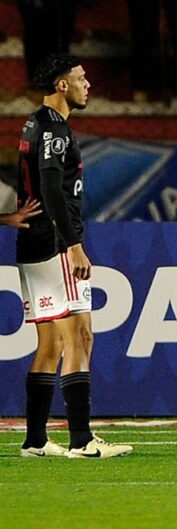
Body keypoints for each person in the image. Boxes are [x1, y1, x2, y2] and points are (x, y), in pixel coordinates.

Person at [17, 53, 132, 459]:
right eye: (82, 78)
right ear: (63, 85)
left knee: (49, 344)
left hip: (33, 245)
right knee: (80, 336)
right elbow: (51, 189)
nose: (89, 85)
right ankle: (82, 441)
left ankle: (35, 440)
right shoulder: (56, 130)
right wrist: (73, 244)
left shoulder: (35, 124)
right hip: (54, 244)